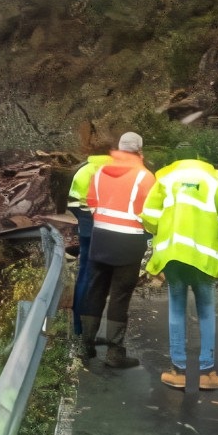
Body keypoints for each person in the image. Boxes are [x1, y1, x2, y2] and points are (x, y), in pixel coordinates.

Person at [141, 158, 218, 390]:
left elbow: (148, 216)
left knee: (176, 309)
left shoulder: (165, 180)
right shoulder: (215, 182)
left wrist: (162, 230)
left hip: (174, 258)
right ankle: (207, 373)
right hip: (204, 260)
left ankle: (178, 371)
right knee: (206, 311)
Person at [77, 132, 154, 369]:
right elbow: (151, 213)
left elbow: (90, 202)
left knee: (95, 289)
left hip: (101, 238)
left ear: (119, 150)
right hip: (129, 242)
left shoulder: (100, 172)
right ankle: (114, 352)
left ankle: (85, 345)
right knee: (120, 296)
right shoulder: (145, 176)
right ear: (140, 151)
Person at [67, 151, 112, 340]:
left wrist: (84, 221)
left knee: (84, 275)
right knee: (101, 281)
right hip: (106, 228)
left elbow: (72, 204)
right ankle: (90, 334)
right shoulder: (113, 171)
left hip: (86, 228)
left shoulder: (82, 171)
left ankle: (79, 327)